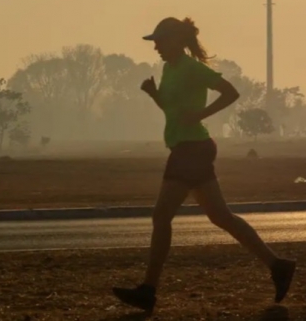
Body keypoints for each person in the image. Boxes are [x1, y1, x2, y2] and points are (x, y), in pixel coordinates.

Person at [112, 17, 296, 314]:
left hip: (191, 150)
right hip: (188, 148)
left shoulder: (192, 68)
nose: (155, 46)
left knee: (161, 216)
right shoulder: (168, 70)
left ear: (175, 40)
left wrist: (201, 115)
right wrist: (154, 94)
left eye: (159, 40)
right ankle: (278, 265)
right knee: (221, 217)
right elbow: (172, 110)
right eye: (154, 41)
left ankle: (148, 290)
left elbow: (231, 92)